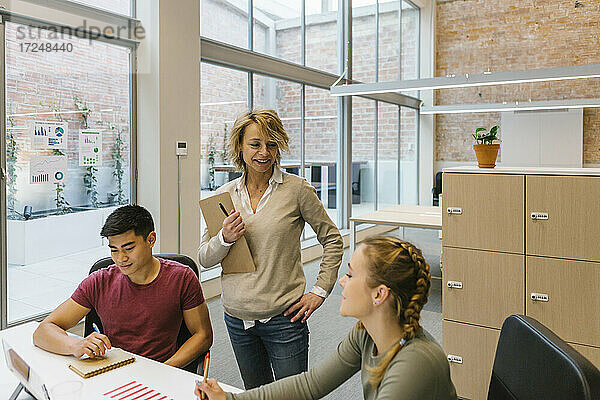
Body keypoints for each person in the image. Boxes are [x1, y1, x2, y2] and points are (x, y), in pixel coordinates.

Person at [196, 236, 457, 400]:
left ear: (379, 294)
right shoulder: (366, 333)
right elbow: (310, 385)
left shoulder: (414, 363)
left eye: (351, 275)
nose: (342, 282)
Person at [198, 109, 344, 389]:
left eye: (272, 144)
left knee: (291, 396)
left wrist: (320, 291)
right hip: (237, 319)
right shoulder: (223, 196)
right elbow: (204, 258)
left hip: (285, 319)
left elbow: (333, 239)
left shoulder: (297, 190)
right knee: (255, 394)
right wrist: (225, 238)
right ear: (239, 146)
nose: (264, 152)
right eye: (255, 144)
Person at [33, 205, 213, 369]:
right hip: (112, 371)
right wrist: (75, 345)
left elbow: (203, 335)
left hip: (160, 371)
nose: (121, 258)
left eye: (128, 248)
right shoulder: (100, 281)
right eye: (114, 250)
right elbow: (43, 331)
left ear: (151, 240)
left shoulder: (181, 277)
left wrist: (164, 369)